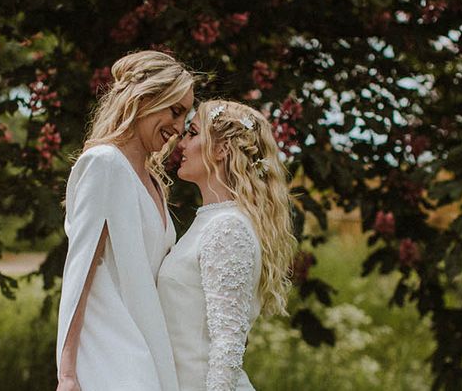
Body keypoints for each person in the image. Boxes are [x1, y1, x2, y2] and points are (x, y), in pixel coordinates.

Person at [56, 50, 195, 391]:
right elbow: (80, 269)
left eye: (185, 117)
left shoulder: (154, 183)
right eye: (175, 111)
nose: (179, 128)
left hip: (150, 352)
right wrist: (68, 372)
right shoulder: (104, 164)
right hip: (110, 357)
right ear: (145, 98)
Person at [157, 100, 296, 391]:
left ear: (221, 149)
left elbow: (228, 345)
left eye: (192, 133)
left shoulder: (227, 227)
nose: (181, 143)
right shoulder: (212, 221)